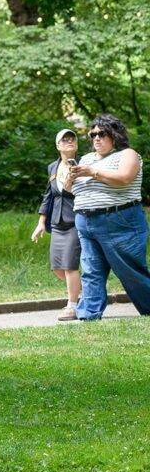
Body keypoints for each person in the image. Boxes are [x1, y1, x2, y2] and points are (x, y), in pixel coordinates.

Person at [59, 114, 150, 320]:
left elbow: (125, 178)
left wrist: (92, 172)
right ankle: (88, 314)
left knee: (130, 271)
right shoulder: (87, 158)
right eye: (93, 134)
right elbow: (72, 190)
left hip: (120, 221)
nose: (96, 138)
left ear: (115, 135)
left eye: (102, 133)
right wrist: (71, 178)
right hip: (85, 221)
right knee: (91, 269)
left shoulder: (127, 154)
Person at [32, 130, 82, 321]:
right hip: (57, 222)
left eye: (72, 139)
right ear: (58, 146)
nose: (69, 142)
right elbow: (49, 195)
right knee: (57, 267)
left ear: (76, 145)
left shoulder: (83, 164)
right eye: (65, 139)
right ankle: (88, 291)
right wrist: (41, 222)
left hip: (75, 221)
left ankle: (72, 306)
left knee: (70, 265)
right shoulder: (52, 167)